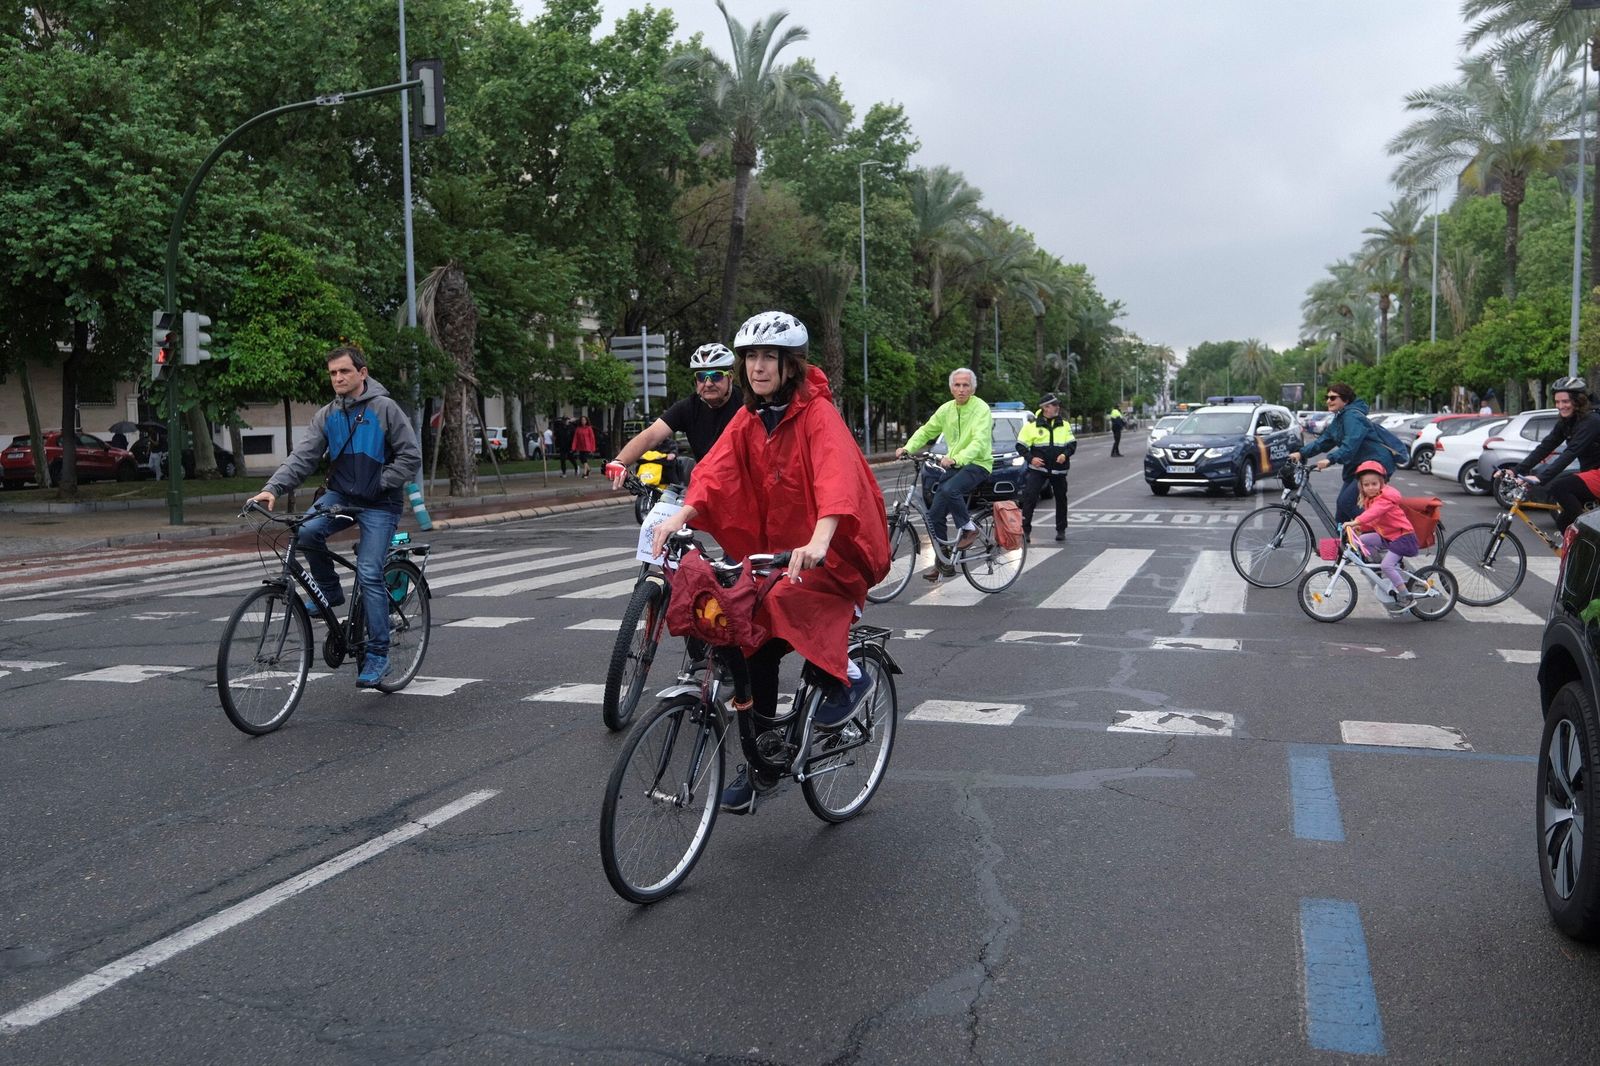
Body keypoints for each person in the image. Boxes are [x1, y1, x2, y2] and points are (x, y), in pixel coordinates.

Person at [649, 310, 889, 814]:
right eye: (751, 357)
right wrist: (682, 515)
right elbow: (717, 470)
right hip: (775, 554)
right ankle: (760, 760)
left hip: (830, 554)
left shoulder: (818, 414)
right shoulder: (751, 415)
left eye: (769, 358)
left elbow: (836, 480)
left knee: (782, 602)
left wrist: (821, 539)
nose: (757, 367)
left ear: (790, 364)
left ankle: (849, 676)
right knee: (747, 634)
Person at [247, 346, 422, 688]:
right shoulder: (327, 415)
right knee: (307, 532)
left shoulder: (384, 409)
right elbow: (303, 457)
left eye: (344, 371)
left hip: (380, 503)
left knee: (370, 572)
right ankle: (328, 591)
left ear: (362, 373)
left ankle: (378, 654)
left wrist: (378, 483)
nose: (338, 378)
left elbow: (410, 456)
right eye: (333, 373)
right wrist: (272, 488)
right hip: (340, 497)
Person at [896, 368, 992, 581]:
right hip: (954, 466)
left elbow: (979, 441)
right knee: (933, 516)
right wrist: (908, 448)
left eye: (965, 385)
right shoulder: (946, 409)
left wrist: (957, 458)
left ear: (973, 388)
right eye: (957, 385)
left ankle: (968, 528)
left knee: (950, 490)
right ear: (951, 388)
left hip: (978, 463)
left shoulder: (981, 409)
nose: (961, 389)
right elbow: (926, 430)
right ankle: (944, 561)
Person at [608, 343, 743, 490]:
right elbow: (651, 435)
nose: (708, 383)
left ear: (730, 377)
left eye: (716, 376)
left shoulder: (747, 403)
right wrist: (620, 462)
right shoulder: (687, 408)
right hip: (709, 488)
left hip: (745, 487)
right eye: (701, 376)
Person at [1288, 383, 1397, 523]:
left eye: (1333, 398)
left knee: (1346, 503)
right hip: (1359, 465)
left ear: (1345, 400)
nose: (1328, 401)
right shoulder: (1340, 418)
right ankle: (1342, 543)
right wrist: (1301, 453)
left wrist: (1330, 459)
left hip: (1374, 463)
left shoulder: (1352, 417)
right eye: (1327, 397)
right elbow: (1324, 440)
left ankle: (1380, 529)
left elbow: (1351, 445)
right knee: (1342, 510)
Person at [1506, 376, 1600, 530]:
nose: (1560, 406)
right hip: (1592, 474)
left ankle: (1589, 534)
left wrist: (1540, 477)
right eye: (1557, 402)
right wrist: (1516, 470)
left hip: (1597, 474)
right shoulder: (1568, 421)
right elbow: (1545, 447)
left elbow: (1570, 452)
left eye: (1565, 401)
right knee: (1564, 523)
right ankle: (1575, 552)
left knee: (1560, 487)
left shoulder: (1592, 421)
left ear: (1578, 401)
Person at [1347, 460, 1418, 605]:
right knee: (1363, 540)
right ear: (1361, 486)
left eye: (1374, 484)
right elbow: (1373, 520)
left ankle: (1406, 596)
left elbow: (1375, 512)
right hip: (1389, 536)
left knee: (1387, 566)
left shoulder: (1384, 499)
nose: (1371, 488)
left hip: (1402, 538)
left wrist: (1356, 521)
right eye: (1366, 485)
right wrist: (1359, 527)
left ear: (1381, 484)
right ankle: (1378, 564)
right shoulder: (1371, 500)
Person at [1016, 394, 1076, 543]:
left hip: (1058, 470)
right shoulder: (1031, 427)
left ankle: (1061, 530)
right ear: (1045, 408)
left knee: (1061, 500)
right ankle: (1026, 531)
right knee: (1029, 498)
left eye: (1057, 405)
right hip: (1038, 470)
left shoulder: (1065, 425)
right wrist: (1031, 459)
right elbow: (1020, 446)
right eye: (1054, 405)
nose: (1057, 407)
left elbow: (1072, 445)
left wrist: (1065, 455)